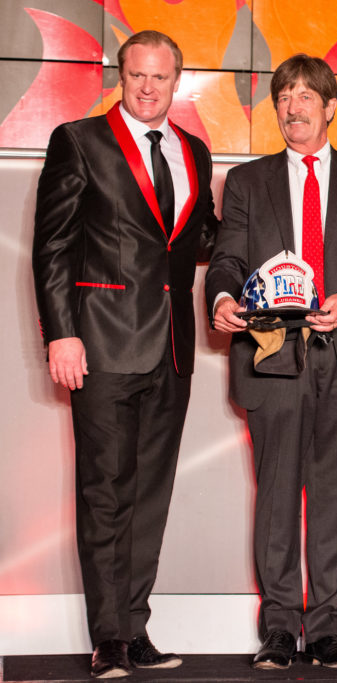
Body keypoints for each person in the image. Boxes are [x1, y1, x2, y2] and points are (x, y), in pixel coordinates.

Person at [205, 54, 337, 670]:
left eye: (305, 97)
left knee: (333, 496)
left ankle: (326, 629)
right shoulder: (246, 182)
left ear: (330, 106)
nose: (293, 107)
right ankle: (278, 629)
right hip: (271, 355)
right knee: (276, 498)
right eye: (284, 97)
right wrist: (220, 296)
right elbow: (228, 258)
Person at [31, 30, 216, 679]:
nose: (147, 87)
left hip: (171, 347)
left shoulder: (194, 150)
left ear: (176, 82)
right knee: (104, 491)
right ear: (121, 73)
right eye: (137, 75)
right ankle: (107, 635)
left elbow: (201, 237)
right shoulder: (79, 142)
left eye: (160, 78)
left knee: (150, 496)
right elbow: (51, 246)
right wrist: (60, 332)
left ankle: (135, 627)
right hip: (101, 343)